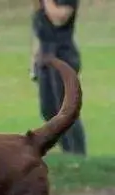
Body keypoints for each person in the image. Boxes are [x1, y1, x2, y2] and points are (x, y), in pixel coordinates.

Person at [30, 0, 87, 156]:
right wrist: (34, 60)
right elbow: (40, 27)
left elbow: (58, 19)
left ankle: (78, 155)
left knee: (66, 110)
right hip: (45, 54)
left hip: (63, 55)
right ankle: (68, 152)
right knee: (48, 110)